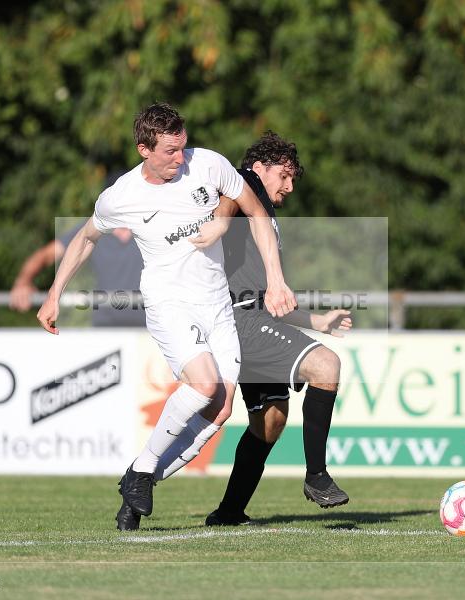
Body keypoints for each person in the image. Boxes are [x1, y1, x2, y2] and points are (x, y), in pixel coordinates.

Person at [35, 103, 296, 529]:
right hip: (168, 300)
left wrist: (275, 278)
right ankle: (141, 474)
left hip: (216, 303)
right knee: (203, 384)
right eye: (171, 151)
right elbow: (85, 239)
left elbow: (256, 210)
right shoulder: (121, 196)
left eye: (183, 146)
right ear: (144, 149)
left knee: (221, 408)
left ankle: (139, 478)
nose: (181, 157)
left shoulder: (208, 164)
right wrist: (53, 294)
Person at [116, 131, 352, 531]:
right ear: (261, 167)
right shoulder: (247, 182)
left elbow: (267, 297)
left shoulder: (265, 216)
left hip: (253, 317)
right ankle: (316, 476)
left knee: (271, 421)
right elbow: (228, 194)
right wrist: (220, 224)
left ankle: (153, 487)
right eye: (285, 176)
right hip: (241, 322)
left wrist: (317, 322)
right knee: (326, 366)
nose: (290, 186)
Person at [10, 222, 145, 327]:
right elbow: (47, 254)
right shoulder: (93, 227)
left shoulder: (155, 224)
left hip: (152, 327)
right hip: (106, 326)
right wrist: (23, 282)